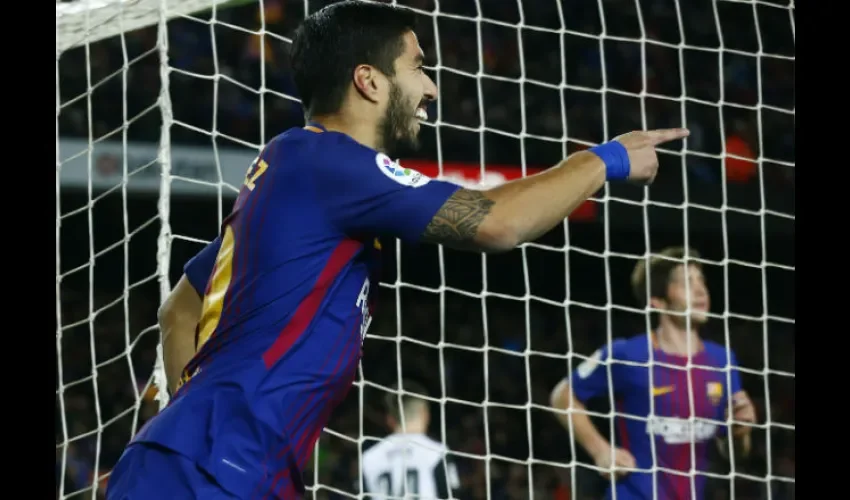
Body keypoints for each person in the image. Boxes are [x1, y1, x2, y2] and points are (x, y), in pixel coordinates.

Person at [107, 0, 688, 497]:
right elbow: (497, 222)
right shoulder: (329, 161)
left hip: (223, 465)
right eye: (418, 67)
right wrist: (603, 159)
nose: (432, 87)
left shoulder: (294, 179)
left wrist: (186, 425)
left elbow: (179, 311)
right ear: (369, 80)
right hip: (212, 470)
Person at [549, 246, 757, 500]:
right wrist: (601, 450)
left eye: (701, 281)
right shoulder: (628, 353)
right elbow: (562, 395)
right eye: (686, 283)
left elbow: (733, 454)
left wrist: (740, 432)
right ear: (656, 301)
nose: (701, 291)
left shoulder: (722, 359)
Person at [361, 382, 460, 498]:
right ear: (425, 414)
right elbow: (452, 495)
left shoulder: (370, 456)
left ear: (389, 419)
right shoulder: (437, 452)